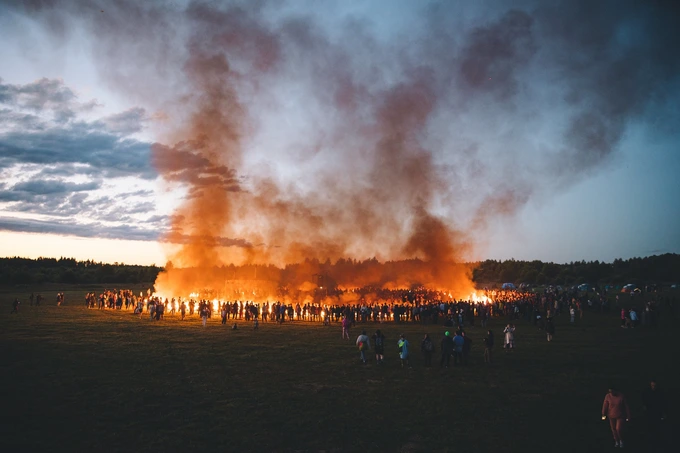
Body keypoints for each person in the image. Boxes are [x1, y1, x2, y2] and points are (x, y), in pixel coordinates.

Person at [642, 380, 667, 450]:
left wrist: (663, 413)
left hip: (657, 412)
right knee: (650, 427)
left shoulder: (660, 393)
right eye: (652, 385)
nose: (653, 387)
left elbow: (663, 403)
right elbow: (645, 402)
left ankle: (657, 441)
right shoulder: (647, 393)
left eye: (654, 385)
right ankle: (651, 441)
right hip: (650, 413)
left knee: (657, 427)